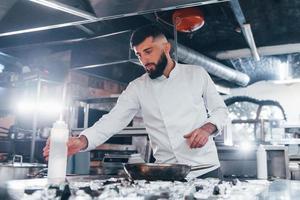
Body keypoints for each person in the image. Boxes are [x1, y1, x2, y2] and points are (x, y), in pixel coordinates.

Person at [43, 24, 229, 178]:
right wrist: (81, 141)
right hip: (168, 173)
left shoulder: (197, 74)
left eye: (148, 51)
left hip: (205, 169)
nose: (144, 60)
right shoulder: (137, 87)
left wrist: (207, 129)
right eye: (139, 55)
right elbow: (113, 120)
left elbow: (220, 110)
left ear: (166, 48)